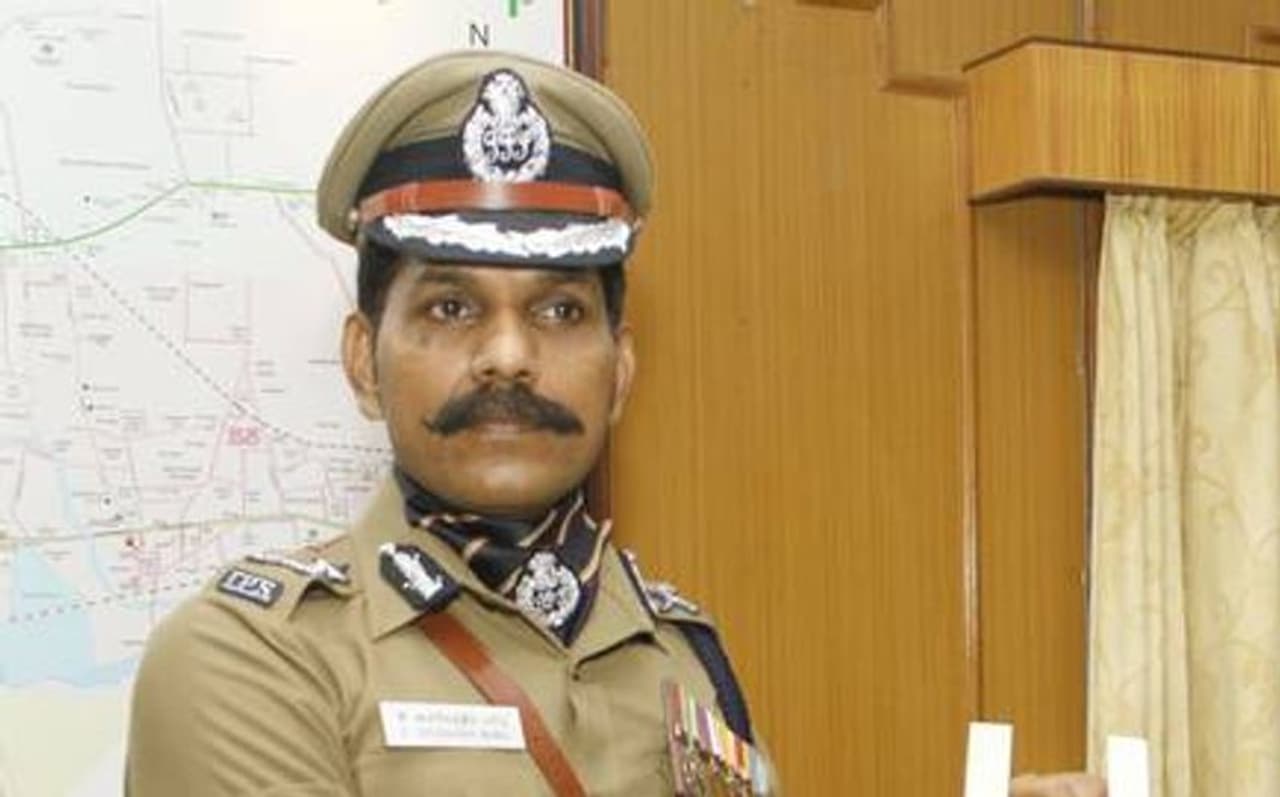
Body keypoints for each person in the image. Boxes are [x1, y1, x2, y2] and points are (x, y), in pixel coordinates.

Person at [126, 50, 1105, 796]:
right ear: (361, 362)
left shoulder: (676, 651)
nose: (508, 355)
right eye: (450, 307)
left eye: (559, 310)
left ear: (620, 370)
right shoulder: (254, 658)